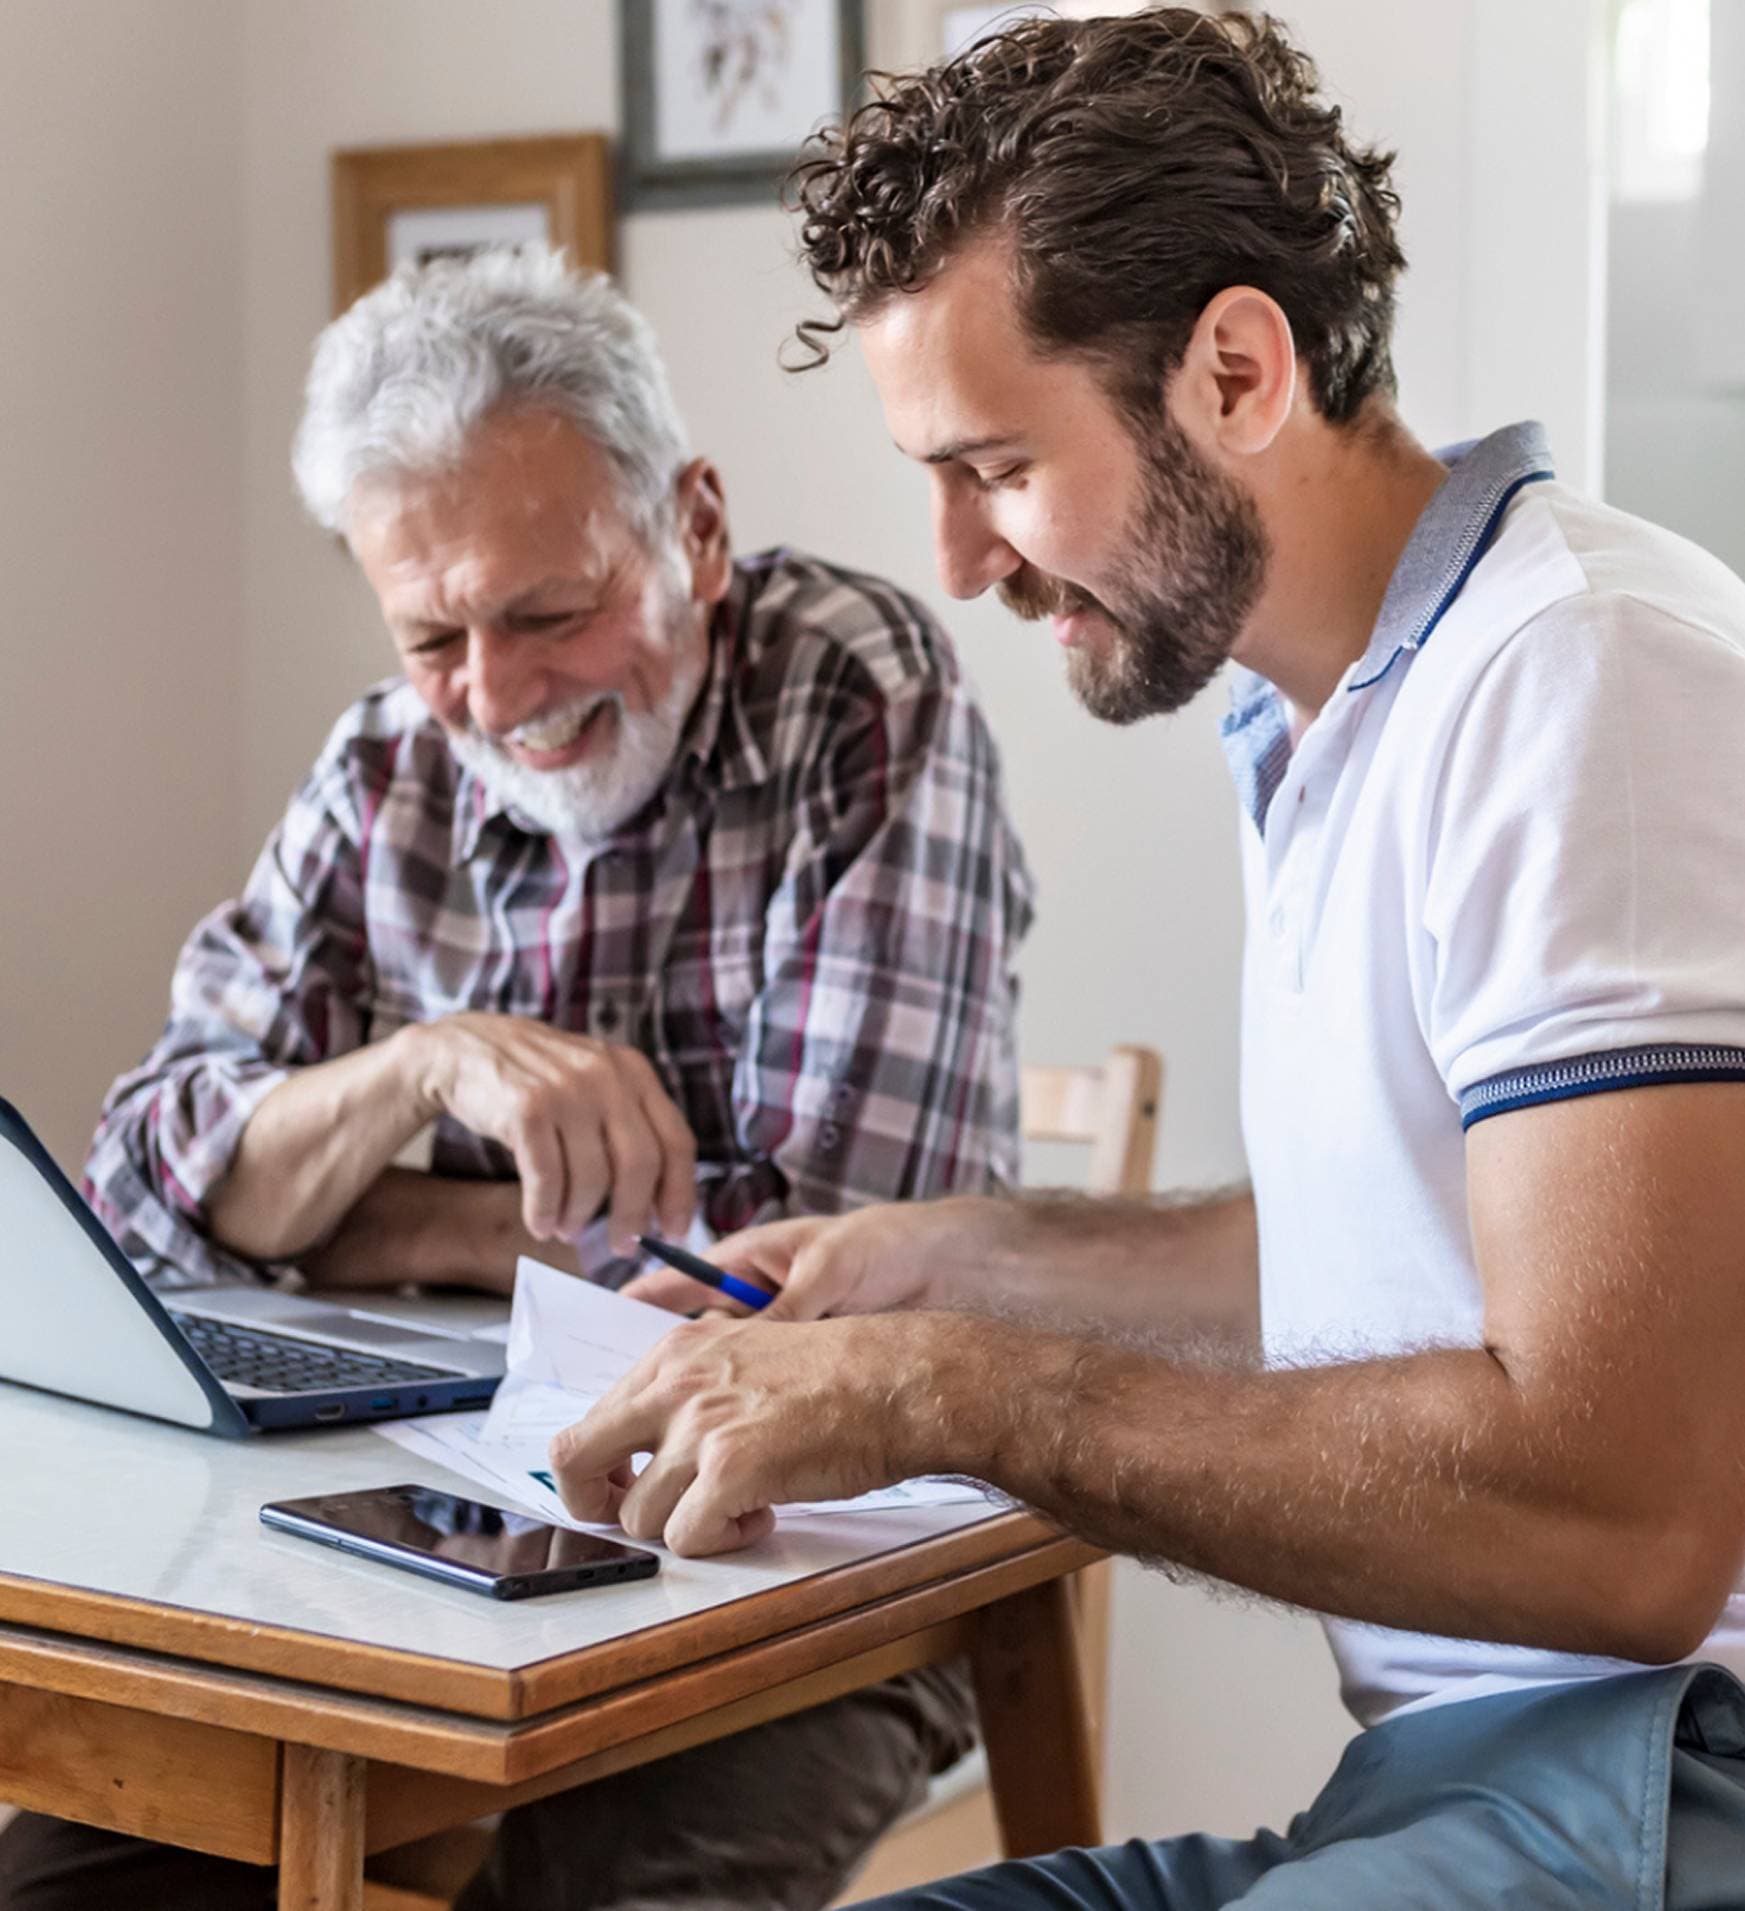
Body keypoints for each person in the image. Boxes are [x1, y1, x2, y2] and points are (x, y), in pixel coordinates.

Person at [547, 11, 1745, 1907]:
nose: (955, 557)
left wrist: (950, 1390)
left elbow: (1621, 1521)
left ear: (1239, 371)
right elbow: (1392, 1254)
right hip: (1463, 1787)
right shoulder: (1337, 716)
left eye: (998, 467)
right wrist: (941, 1260)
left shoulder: (1578, 683)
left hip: (1671, 1782)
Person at [0, 248, 1033, 1911]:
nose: (496, 698)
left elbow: (808, 1261)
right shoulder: (387, 759)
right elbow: (148, 1188)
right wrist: (419, 1070)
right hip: (416, 1521)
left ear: (693, 526)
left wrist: (345, 1227)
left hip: (800, 1548)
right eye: (431, 634)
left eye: (550, 613)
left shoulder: (853, 685)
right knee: (87, 1869)